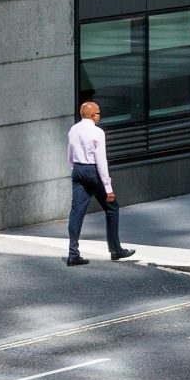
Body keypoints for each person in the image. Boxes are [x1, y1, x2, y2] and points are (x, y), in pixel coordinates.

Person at [66, 101, 136, 265]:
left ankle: (73, 253)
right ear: (93, 115)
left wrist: (74, 169)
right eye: (98, 113)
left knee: (76, 213)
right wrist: (108, 187)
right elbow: (101, 161)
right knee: (112, 207)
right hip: (92, 172)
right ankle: (116, 249)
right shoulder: (98, 132)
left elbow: (69, 153)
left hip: (77, 170)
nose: (99, 115)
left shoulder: (73, 129)